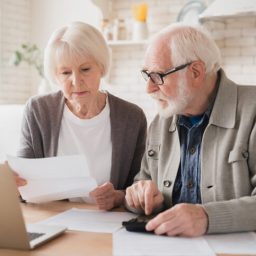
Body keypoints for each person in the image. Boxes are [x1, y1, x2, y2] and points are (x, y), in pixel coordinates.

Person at [125, 23, 256, 236]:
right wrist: (141, 197)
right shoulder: (161, 121)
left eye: (158, 76)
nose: (148, 88)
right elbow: (143, 180)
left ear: (195, 72)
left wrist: (206, 217)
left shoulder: (253, 112)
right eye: (146, 75)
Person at [14, 21, 147, 210]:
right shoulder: (37, 111)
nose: (76, 81)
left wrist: (118, 197)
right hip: (53, 219)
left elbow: (141, 186)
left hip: (108, 222)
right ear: (55, 76)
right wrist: (12, 183)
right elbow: (22, 184)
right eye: (66, 72)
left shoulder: (132, 118)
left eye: (85, 69)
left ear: (101, 67)